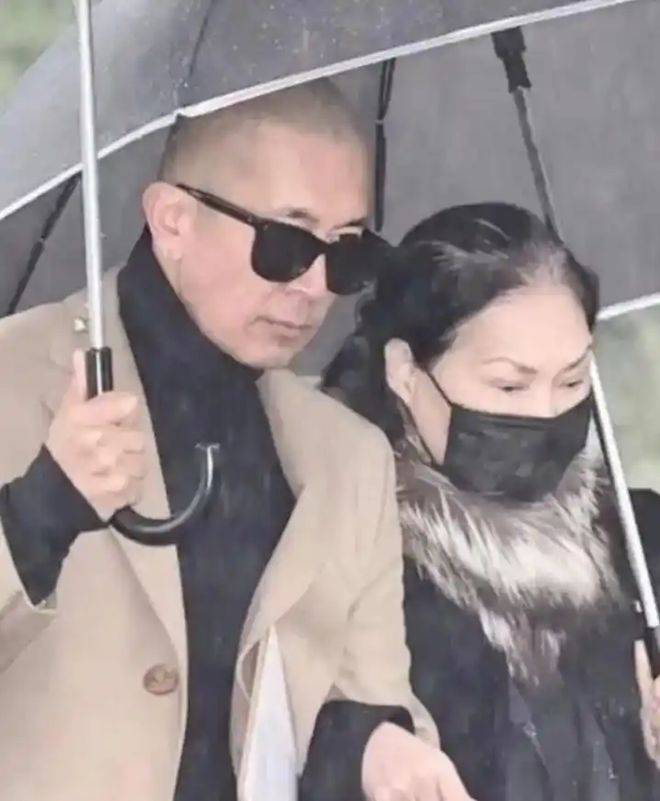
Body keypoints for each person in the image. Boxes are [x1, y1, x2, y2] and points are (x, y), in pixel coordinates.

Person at [0, 81, 473, 801]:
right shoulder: (12, 378)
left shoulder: (347, 457)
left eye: (347, 254)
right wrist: (39, 512)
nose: (315, 287)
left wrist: (377, 745)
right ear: (172, 220)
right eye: (286, 244)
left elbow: (366, 691)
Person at [323, 202, 660, 801]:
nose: (547, 412)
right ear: (405, 372)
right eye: (509, 385)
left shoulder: (638, 539)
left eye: (573, 379)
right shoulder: (344, 567)